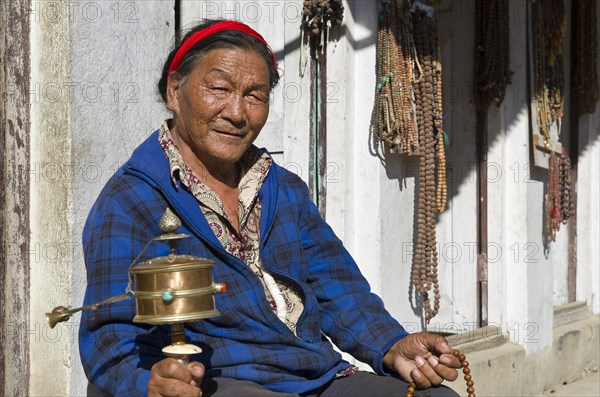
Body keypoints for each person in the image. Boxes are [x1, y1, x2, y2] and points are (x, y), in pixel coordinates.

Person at [79, 19, 461, 397]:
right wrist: (146, 383)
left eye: (254, 95)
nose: (236, 112)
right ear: (175, 92)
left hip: (317, 376)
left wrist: (391, 345)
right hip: (217, 379)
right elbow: (109, 333)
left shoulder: (281, 188)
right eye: (219, 88)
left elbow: (336, 287)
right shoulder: (132, 199)